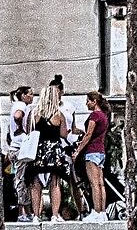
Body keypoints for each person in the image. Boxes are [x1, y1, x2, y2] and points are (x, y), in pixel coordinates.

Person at [31, 77, 70, 220]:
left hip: (39, 149)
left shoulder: (35, 114)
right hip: (54, 149)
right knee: (55, 182)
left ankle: (35, 214)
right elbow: (63, 134)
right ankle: (54, 214)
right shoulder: (59, 115)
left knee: (36, 183)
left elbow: (31, 131)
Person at [76, 90, 112, 219]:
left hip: (92, 151)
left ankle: (96, 211)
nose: (86, 104)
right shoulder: (104, 116)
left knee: (94, 183)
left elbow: (88, 135)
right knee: (101, 183)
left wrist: (78, 151)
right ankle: (102, 212)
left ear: (94, 101)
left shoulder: (94, 116)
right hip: (101, 151)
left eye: (88, 101)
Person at [6, 85, 36, 221]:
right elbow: (18, 116)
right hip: (19, 147)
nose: (32, 97)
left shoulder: (17, 105)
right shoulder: (21, 105)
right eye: (30, 94)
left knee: (20, 178)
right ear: (23, 95)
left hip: (14, 146)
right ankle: (23, 212)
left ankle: (25, 211)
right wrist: (20, 129)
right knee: (20, 180)